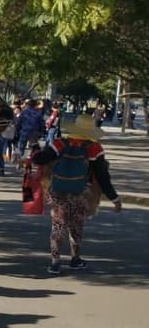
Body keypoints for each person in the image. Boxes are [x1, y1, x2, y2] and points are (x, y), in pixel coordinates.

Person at [32, 116, 123, 274]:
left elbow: (39, 159)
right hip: (80, 193)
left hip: (57, 191)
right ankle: (75, 259)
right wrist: (114, 198)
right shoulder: (95, 148)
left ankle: (55, 262)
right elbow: (103, 177)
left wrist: (35, 147)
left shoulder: (60, 143)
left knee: (58, 226)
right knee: (76, 226)